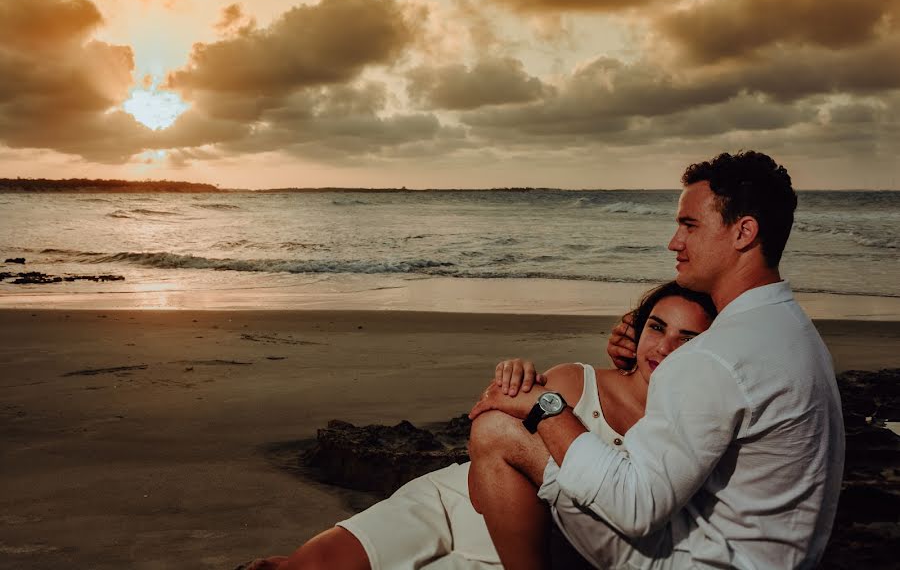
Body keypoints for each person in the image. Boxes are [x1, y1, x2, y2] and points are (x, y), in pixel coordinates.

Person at [467, 151, 845, 569]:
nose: (674, 242)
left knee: (497, 430)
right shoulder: (793, 331)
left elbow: (635, 508)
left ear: (744, 233)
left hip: (697, 561)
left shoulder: (716, 356)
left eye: (689, 225)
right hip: (773, 554)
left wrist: (546, 407)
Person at [245, 281, 717, 570]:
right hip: (457, 499)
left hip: (524, 546)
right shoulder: (578, 380)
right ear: (636, 332)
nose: (665, 348)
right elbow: (484, 459)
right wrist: (511, 384)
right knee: (310, 567)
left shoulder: (688, 427)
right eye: (656, 328)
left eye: (688, 338)